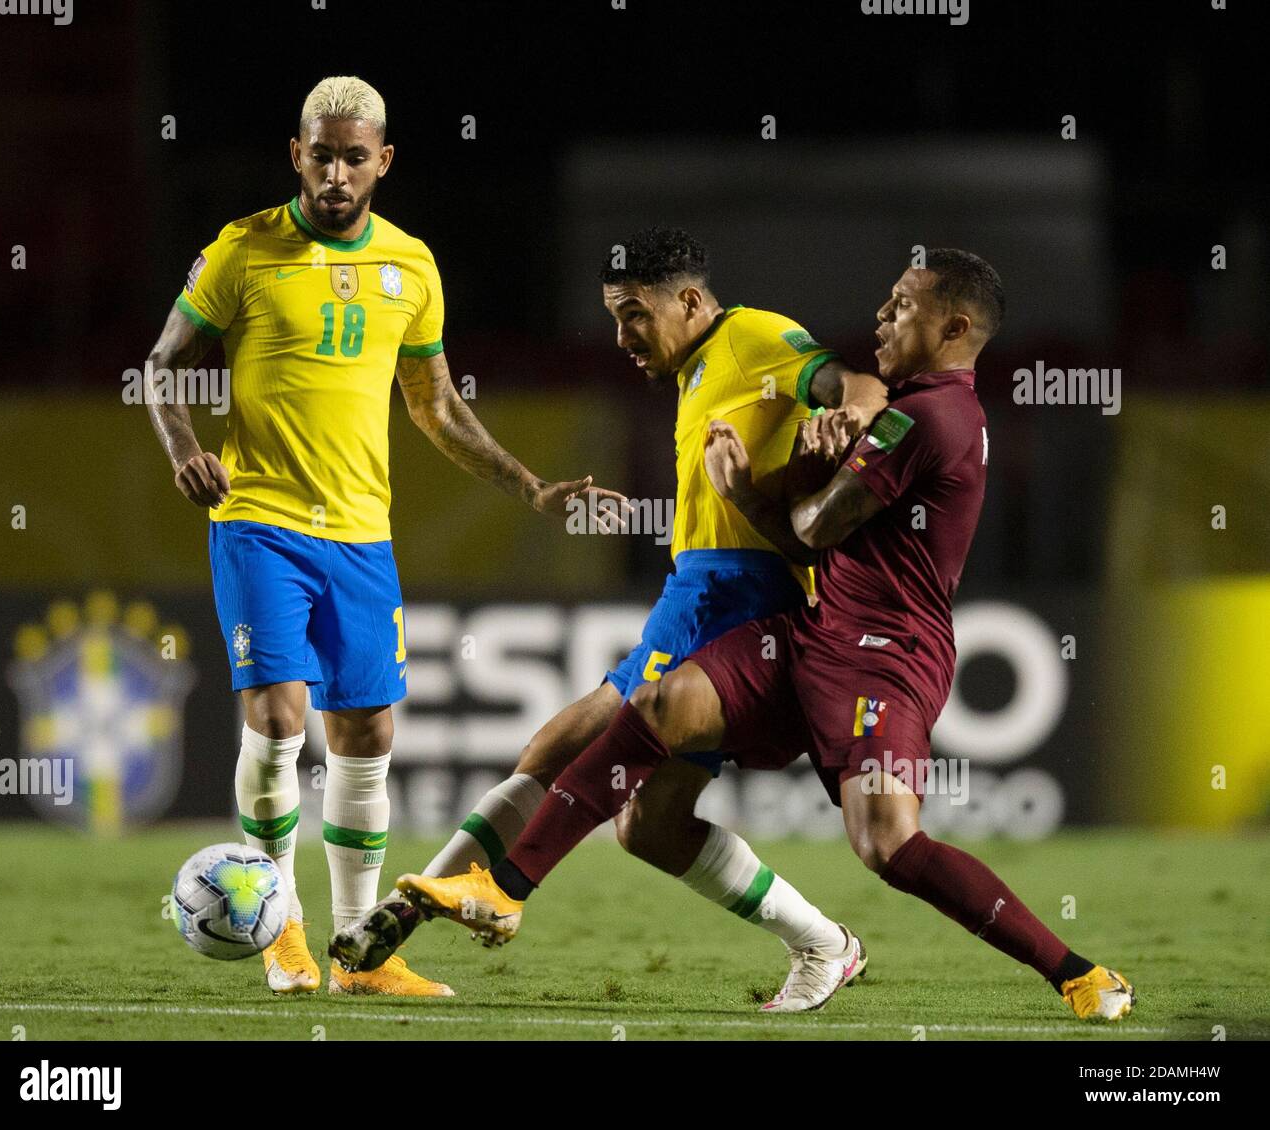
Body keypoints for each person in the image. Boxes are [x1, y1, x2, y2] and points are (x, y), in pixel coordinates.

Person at [397, 249, 1136, 1021]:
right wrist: (803, 459)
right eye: (888, 298)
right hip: (810, 631)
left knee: (888, 845)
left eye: (904, 304)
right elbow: (823, 506)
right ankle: (504, 889)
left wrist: (744, 485)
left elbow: (812, 532)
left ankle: (1077, 972)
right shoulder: (916, 406)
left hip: (884, 657)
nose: (882, 314)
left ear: (954, 326)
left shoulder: (928, 416)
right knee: (654, 713)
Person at [143, 75, 625, 997]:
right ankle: (280, 928)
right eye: (319, 154)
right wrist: (183, 450)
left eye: (353, 157)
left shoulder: (412, 266)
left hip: (362, 537)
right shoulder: (243, 251)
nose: (335, 172)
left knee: (366, 733)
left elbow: (436, 405)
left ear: (383, 162)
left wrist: (526, 484)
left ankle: (360, 952)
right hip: (259, 521)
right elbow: (162, 365)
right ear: (297, 154)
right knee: (280, 718)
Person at [330, 226, 889, 1012]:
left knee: (568, 741)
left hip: (737, 599)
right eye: (612, 316)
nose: (620, 337)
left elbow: (858, 382)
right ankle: (826, 944)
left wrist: (855, 418)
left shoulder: (755, 337)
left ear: (691, 301)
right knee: (648, 826)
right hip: (700, 587)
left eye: (634, 315)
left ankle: (433, 903)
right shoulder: (700, 370)